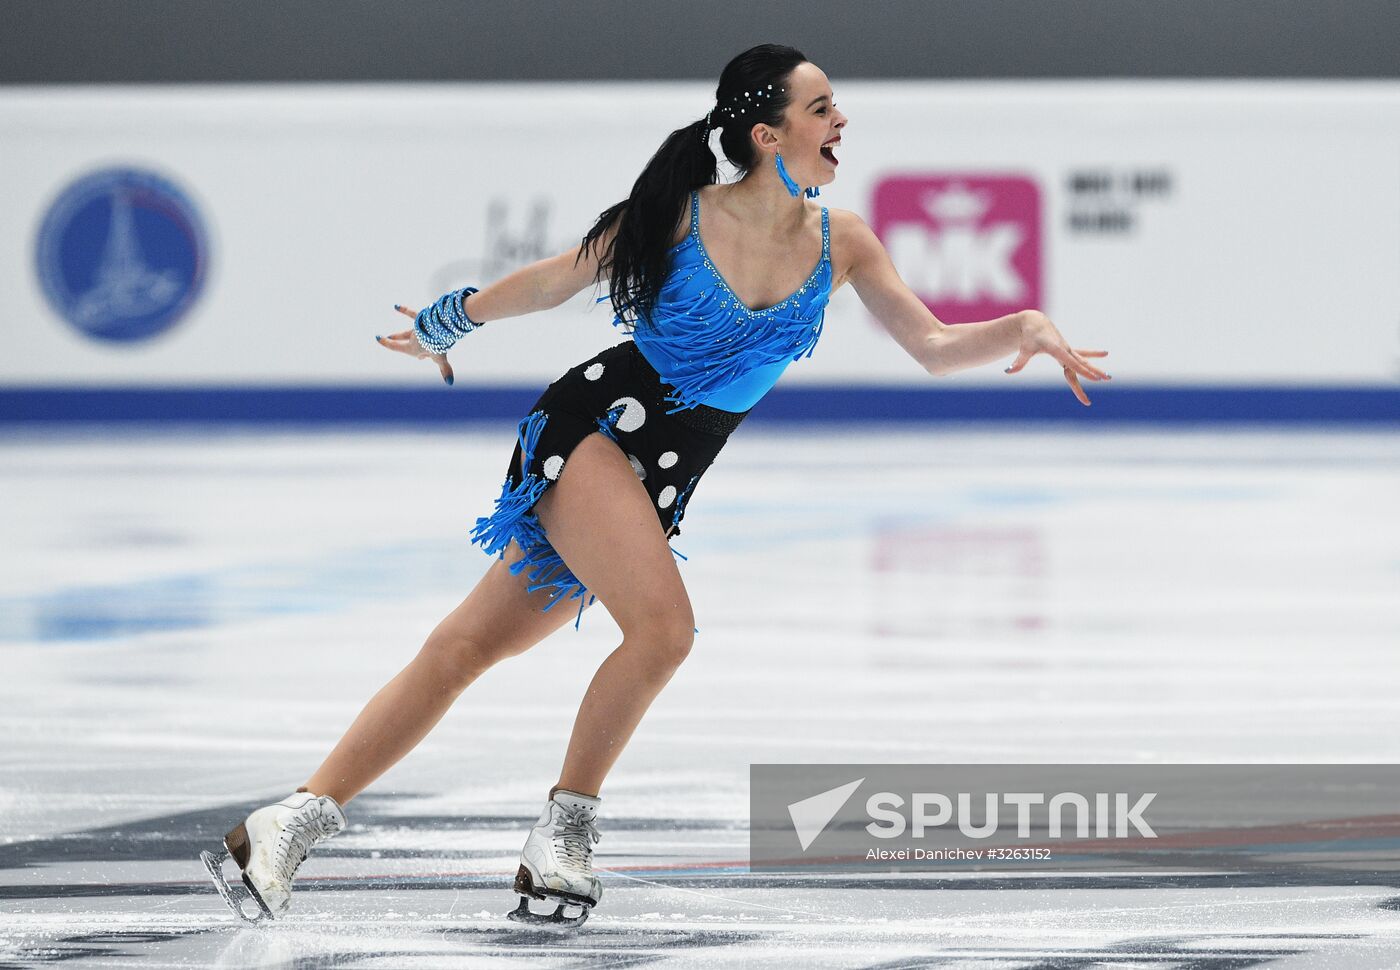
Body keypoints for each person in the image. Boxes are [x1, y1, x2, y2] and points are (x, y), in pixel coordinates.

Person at [201, 43, 1109, 928]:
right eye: (821, 107)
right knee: (664, 630)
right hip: (592, 433)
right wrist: (449, 320)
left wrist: (1022, 325)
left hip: (662, 477)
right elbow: (558, 280)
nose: (842, 120)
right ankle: (563, 837)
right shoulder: (676, 213)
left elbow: (934, 346)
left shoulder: (848, 243)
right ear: (766, 131)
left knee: (464, 650)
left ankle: (285, 826)